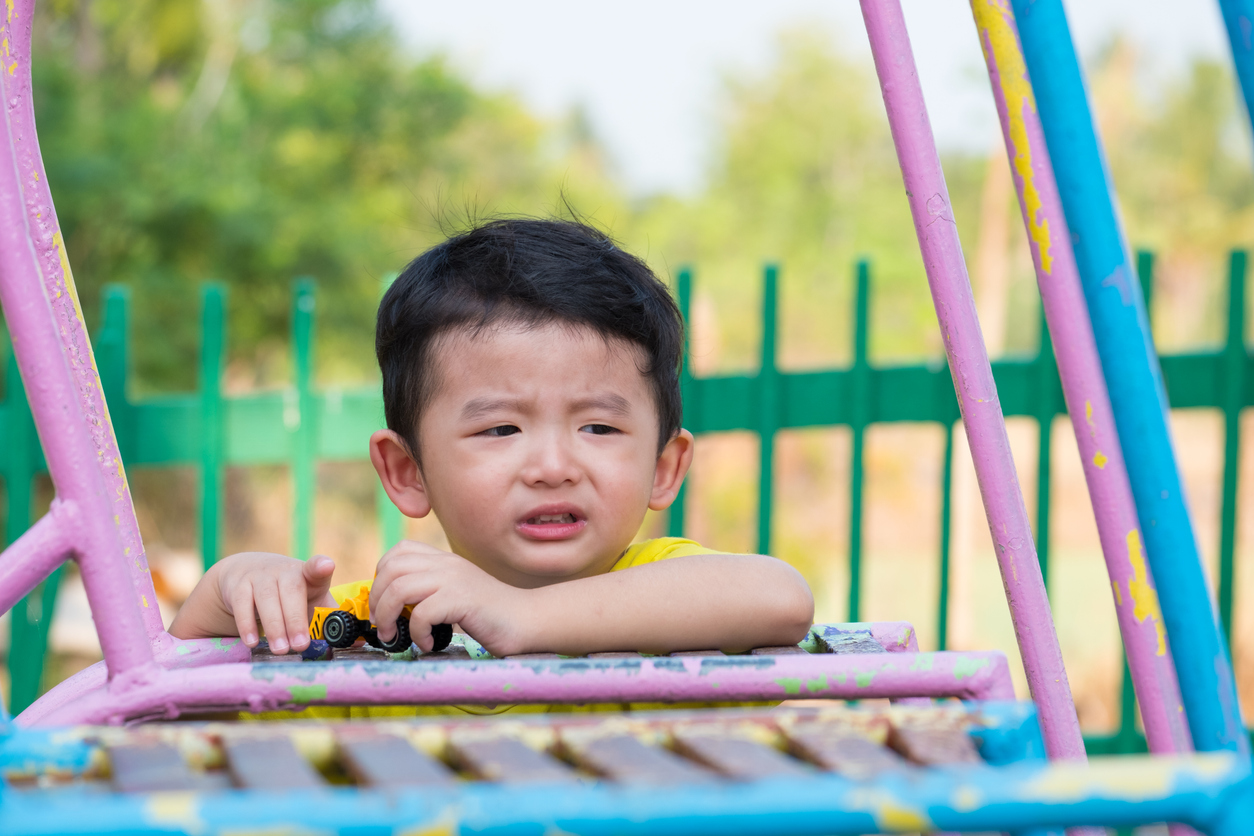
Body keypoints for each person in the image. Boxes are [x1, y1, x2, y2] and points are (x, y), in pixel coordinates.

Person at [170, 218, 813, 671]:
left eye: (599, 427)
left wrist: (519, 617)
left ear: (664, 468)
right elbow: (172, 704)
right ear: (406, 472)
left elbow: (779, 599)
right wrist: (226, 593)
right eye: (501, 429)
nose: (554, 467)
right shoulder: (388, 620)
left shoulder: (664, 585)